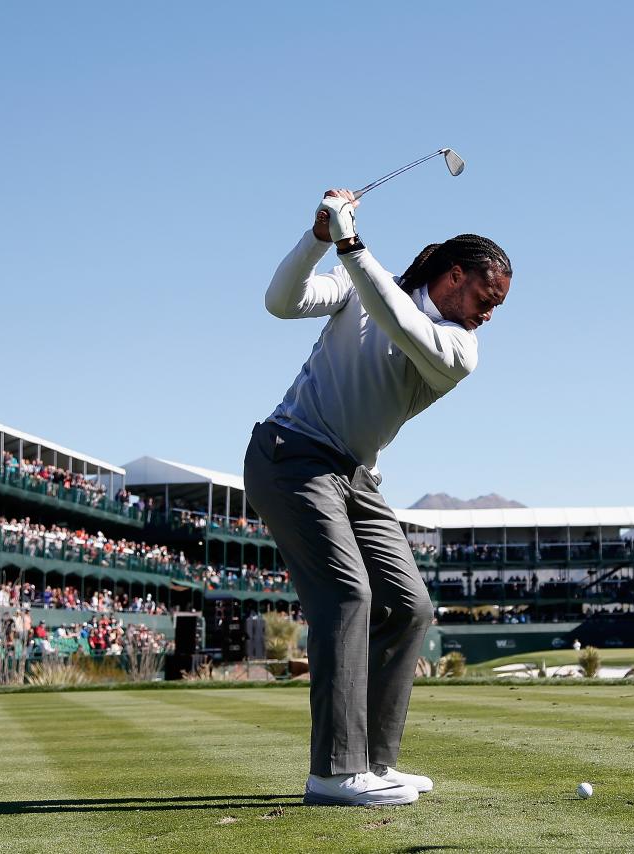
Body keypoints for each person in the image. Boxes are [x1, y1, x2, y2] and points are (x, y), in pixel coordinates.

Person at [244, 189, 511, 807]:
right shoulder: (361, 281)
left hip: (356, 475)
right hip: (291, 454)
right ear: (453, 276)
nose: (489, 315)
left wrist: (352, 245)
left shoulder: (460, 349)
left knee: (410, 605)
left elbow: (398, 320)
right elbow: (279, 303)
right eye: (485, 299)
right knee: (347, 593)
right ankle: (335, 774)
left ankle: (373, 763)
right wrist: (317, 240)